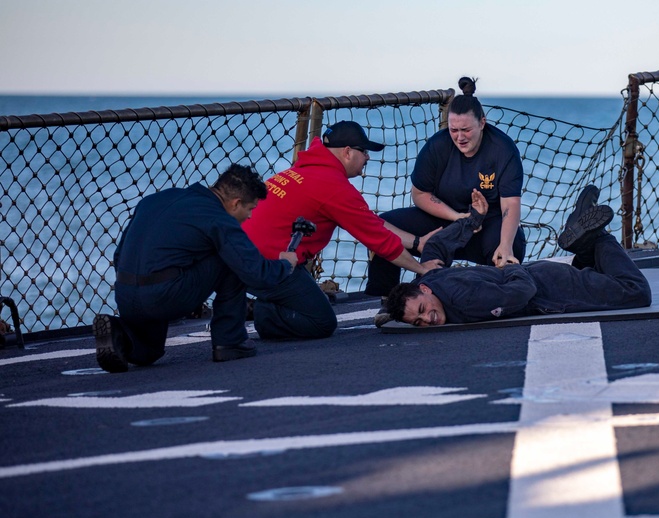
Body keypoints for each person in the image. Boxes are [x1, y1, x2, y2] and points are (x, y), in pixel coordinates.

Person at [242, 121, 442, 339]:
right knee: (321, 323)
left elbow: (371, 223)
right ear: (347, 152)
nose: (368, 157)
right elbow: (380, 241)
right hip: (268, 263)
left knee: (308, 301)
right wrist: (421, 269)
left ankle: (253, 300)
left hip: (238, 251)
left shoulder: (306, 170)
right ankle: (261, 311)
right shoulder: (334, 187)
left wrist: (417, 243)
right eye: (364, 151)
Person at [93, 164, 298, 372]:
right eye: (250, 209)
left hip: (125, 294)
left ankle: (120, 334)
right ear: (236, 204)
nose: (250, 216)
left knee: (149, 352)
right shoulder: (219, 219)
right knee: (232, 259)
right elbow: (256, 274)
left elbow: (118, 255)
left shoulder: (153, 200)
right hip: (164, 297)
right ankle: (230, 341)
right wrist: (285, 265)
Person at [365, 77, 527, 313]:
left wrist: (505, 245)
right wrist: (457, 217)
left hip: (485, 223)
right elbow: (419, 194)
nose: (460, 137)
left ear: (482, 123)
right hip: (443, 219)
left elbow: (510, 205)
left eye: (466, 130)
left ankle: (493, 299)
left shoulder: (503, 149)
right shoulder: (438, 146)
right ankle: (389, 300)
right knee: (384, 226)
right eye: (454, 130)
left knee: (512, 247)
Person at [385, 185, 651, 326]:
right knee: (605, 279)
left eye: (422, 310)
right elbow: (439, 246)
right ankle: (585, 246)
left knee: (636, 292)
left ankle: (598, 238)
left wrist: (508, 267)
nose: (428, 319)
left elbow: (524, 290)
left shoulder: (467, 303)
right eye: (418, 323)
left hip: (554, 289)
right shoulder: (431, 275)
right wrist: (472, 219)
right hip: (548, 277)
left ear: (424, 290)